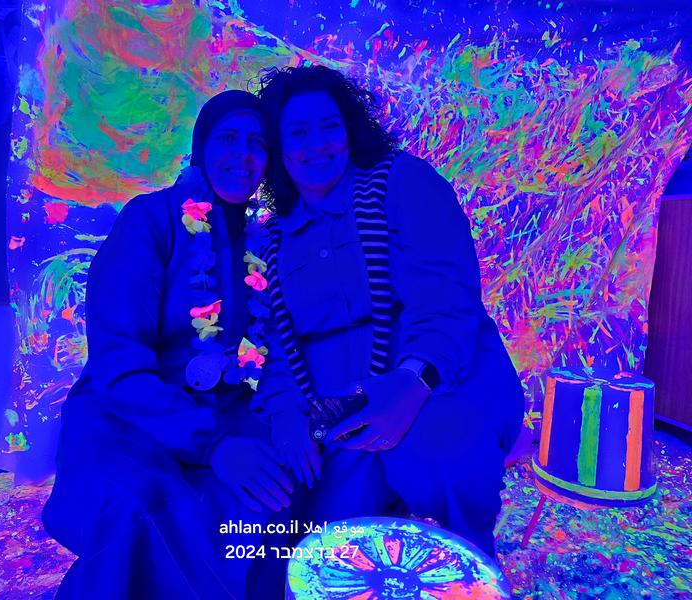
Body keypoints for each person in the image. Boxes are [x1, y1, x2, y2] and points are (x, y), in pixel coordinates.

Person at [252, 65, 525, 564]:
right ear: (278, 147)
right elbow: (279, 349)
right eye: (298, 132)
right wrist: (286, 415)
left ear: (351, 129)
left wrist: (412, 380)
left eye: (329, 125)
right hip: (342, 410)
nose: (317, 143)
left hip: (443, 380)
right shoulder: (272, 239)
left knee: (436, 460)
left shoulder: (403, 182)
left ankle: (467, 575)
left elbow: (447, 298)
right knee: (316, 544)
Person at [42, 90, 294, 599]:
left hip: (227, 413)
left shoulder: (267, 240)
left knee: (268, 500)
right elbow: (119, 363)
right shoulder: (150, 219)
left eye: (257, 142)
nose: (242, 154)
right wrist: (214, 446)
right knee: (135, 504)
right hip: (126, 417)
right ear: (202, 148)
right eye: (228, 138)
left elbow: (271, 354)